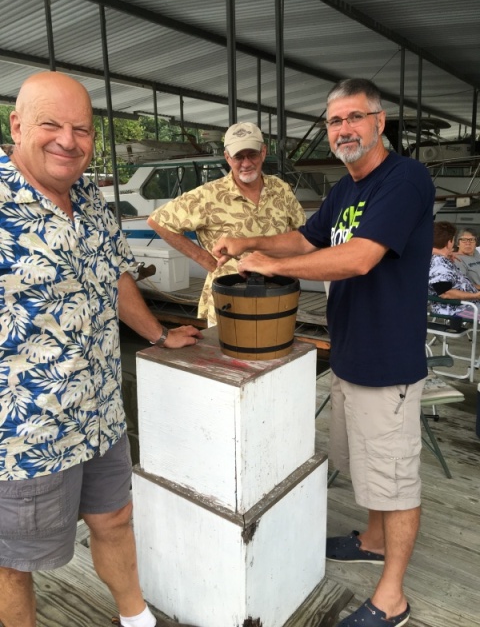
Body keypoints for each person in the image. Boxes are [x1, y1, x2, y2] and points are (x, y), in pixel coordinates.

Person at [213, 79, 435, 627]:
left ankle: (392, 599)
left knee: (395, 476)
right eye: (334, 122)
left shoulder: (404, 179)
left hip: (388, 362)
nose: (343, 130)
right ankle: (374, 538)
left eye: (353, 118)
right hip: (351, 352)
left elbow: (358, 258)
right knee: (364, 462)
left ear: (379, 123)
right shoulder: (345, 189)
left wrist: (272, 266)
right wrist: (249, 245)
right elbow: (308, 239)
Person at [0, 71, 202, 627]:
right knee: (12, 565)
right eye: (50, 124)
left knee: (116, 518)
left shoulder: (89, 193)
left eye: (81, 129)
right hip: (25, 435)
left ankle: (137, 619)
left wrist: (159, 335)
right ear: (17, 126)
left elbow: (114, 278)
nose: (68, 140)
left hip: (100, 412)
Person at [146, 122, 305, 325]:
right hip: (228, 301)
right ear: (228, 157)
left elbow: (301, 234)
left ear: (263, 152)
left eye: (252, 154)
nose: (246, 163)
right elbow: (159, 220)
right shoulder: (209, 194)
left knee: (277, 352)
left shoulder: (281, 189)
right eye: (239, 156)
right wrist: (204, 259)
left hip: (278, 296)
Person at [429, 221, 480, 319]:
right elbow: (446, 293)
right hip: (459, 310)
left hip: (466, 306)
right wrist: (476, 295)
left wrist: (447, 254)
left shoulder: (436, 258)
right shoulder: (439, 264)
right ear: (449, 242)